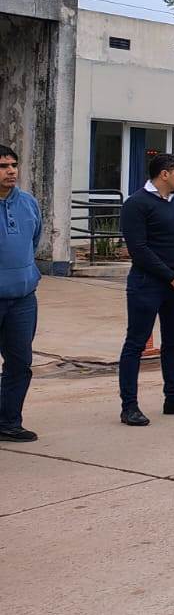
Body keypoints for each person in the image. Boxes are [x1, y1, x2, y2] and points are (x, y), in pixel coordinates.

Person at [117, 152, 174, 425]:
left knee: (173, 343)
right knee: (135, 344)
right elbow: (138, 250)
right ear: (164, 174)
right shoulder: (137, 204)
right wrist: (170, 277)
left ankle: (173, 398)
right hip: (148, 285)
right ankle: (129, 406)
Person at [0, 144, 42, 441]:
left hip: (23, 299)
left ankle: (8, 422)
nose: (11, 171)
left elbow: (34, 241)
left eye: (13, 165)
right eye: (3, 166)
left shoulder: (28, 203)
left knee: (19, 362)